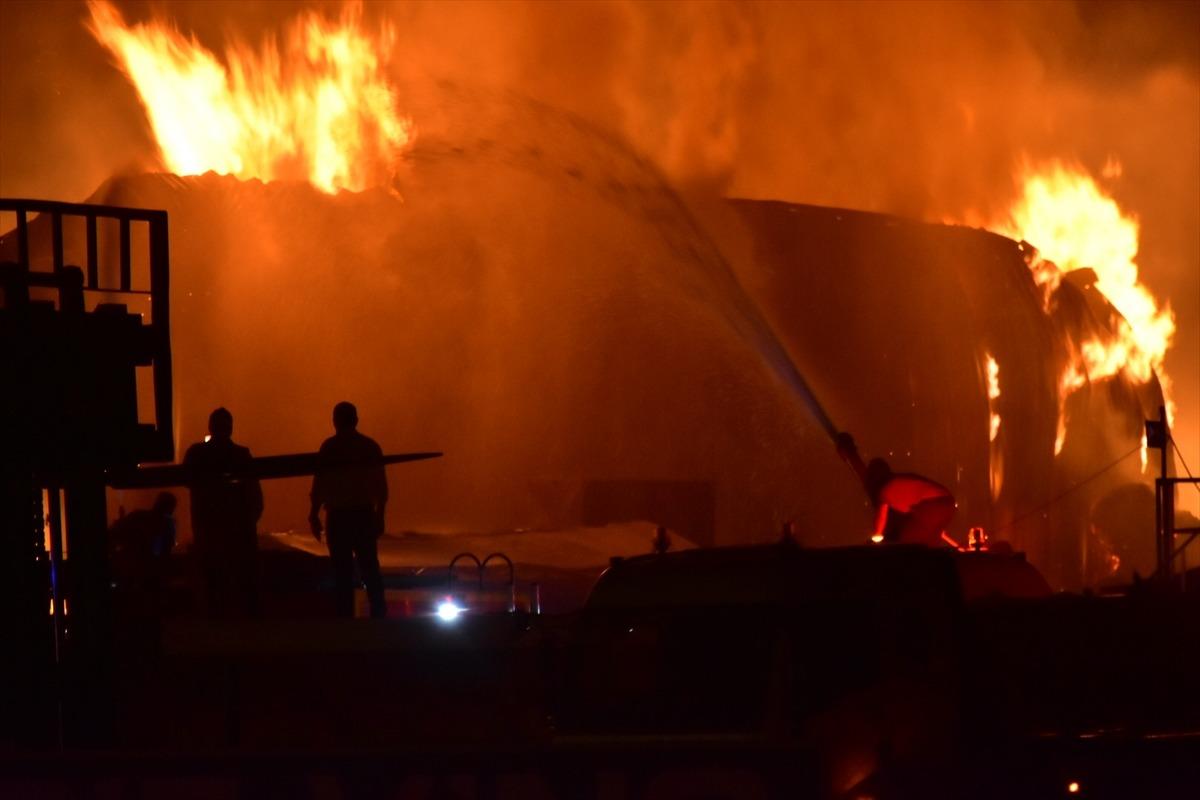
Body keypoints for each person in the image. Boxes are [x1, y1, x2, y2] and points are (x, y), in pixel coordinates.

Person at [309, 402, 388, 618]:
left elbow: (320, 485)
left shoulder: (329, 448)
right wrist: (380, 515)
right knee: (370, 569)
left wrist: (314, 514)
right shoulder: (370, 447)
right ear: (356, 420)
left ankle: (345, 620)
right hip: (363, 514)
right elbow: (381, 487)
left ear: (335, 421)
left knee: (342, 573)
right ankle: (379, 617)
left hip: (339, 517)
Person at [183, 408, 263, 617]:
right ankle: (247, 621)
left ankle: (213, 619)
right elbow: (254, 493)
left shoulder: (196, 453)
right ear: (231, 427)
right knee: (241, 579)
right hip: (238, 529)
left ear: (210, 426)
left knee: (212, 579)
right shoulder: (241, 455)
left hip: (208, 527)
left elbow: (187, 481)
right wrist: (249, 521)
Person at [835, 432, 956, 546]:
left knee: (906, 544)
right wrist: (956, 546)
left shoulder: (885, 491)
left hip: (933, 505)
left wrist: (876, 539)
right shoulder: (898, 483)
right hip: (945, 502)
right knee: (923, 541)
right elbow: (937, 529)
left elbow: (881, 521)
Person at [108, 491, 177, 603]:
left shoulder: (139, 518)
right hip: (144, 575)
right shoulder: (165, 525)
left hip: (136, 575)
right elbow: (162, 551)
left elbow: (114, 533)